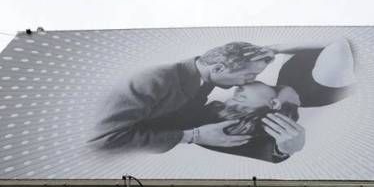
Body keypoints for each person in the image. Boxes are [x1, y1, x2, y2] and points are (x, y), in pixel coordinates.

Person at [91, 42, 276, 153]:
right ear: (219, 68)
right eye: (250, 74)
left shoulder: (204, 81)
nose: (248, 82)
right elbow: (104, 139)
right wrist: (192, 136)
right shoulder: (155, 80)